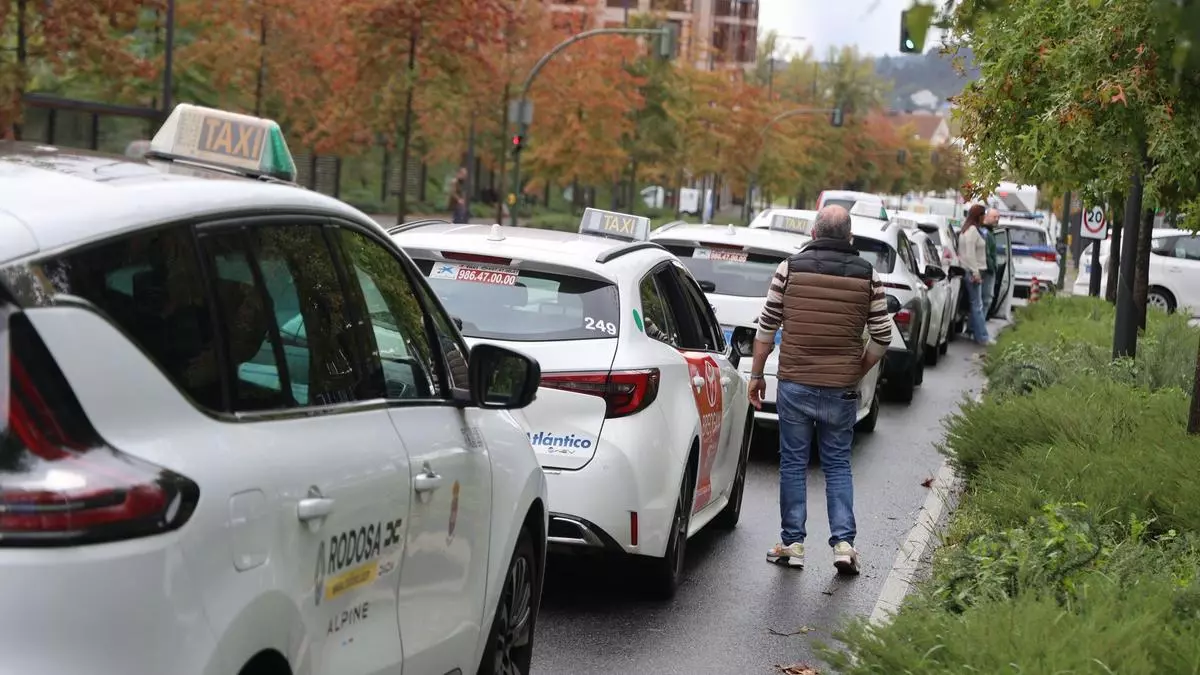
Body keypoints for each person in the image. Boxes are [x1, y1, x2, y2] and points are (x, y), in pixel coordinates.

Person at [747, 205, 893, 575]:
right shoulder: (869, 276)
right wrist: (857, 369)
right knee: (838, 464)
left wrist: (757, 375)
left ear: (813, 234)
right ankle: (844, 544)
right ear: (849, 238)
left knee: (794, 464)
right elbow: (883, 335)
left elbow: (766, 328)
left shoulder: (789, 269)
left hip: (795, 384)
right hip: (841, 389)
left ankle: (792, 544)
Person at [957, 205, 993, 345]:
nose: (985, 217)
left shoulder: (967, 229)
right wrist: (976, 272)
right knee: (978, 306)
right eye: (983, 214)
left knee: (975, 305)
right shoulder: (972, 231)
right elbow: (970, 254)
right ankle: (982, 337)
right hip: (973, 272)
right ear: (978, 215)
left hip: (970, 271)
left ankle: (973, 331)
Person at [980, 208, 1000, 313]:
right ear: (986, 217)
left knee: (984, 300)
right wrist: (992, 267)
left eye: (998, 217)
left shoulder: (990, 232)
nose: (997, 219)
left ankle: (977, 326)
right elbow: (986, 253)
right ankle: (978, 327)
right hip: (986, 271)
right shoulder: (985, 233)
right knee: (986, 299)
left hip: (986, 269)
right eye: (994, 217)